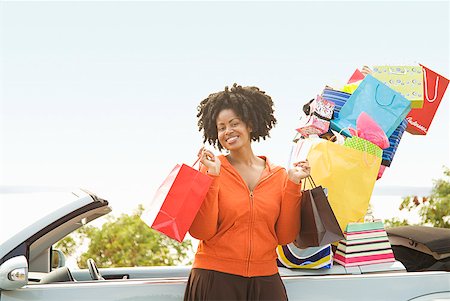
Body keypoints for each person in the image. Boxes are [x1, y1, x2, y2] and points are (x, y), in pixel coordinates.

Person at [184, 84, 311, 301]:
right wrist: (212, 178)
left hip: (266, 281)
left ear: (250, 124)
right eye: (221, 127)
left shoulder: (280, 175)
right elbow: (201, 231)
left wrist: (292, 184)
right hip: (216, 279)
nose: (228, 132)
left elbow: (285, 236)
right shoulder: (211, 169)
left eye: (234, 123)